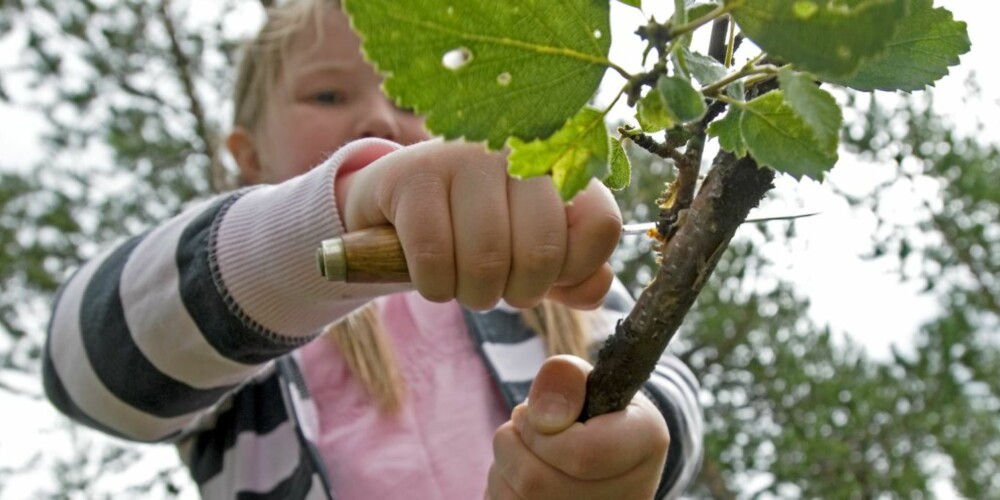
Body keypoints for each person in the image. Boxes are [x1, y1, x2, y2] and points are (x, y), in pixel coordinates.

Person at [42, 0, 704, 498]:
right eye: (328, 94)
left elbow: (666, 385)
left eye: (411, 96)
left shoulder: (539, 275)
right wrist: (322, 220)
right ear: (247, 156)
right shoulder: (231, 326)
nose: (381, 120)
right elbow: (86, 372)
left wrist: (631, 448)